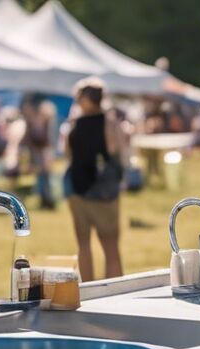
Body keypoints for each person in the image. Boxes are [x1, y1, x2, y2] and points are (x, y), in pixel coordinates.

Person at [64, 77, 124, 281]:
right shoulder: (109, 122)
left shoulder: (74, 124)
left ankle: (88, 291)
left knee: (83, 244)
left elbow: (67, 153)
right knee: (111, 246)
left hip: (78, 188)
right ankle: (115, 294)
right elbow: (116, 150)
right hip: (104, 192)